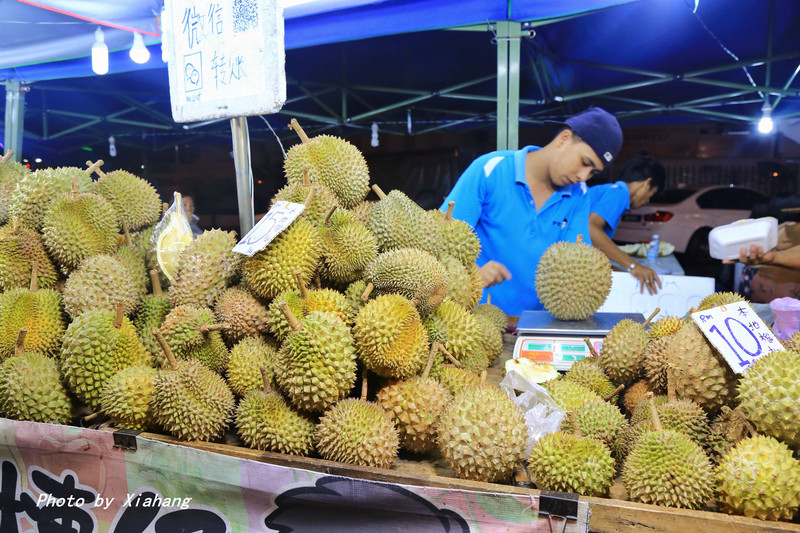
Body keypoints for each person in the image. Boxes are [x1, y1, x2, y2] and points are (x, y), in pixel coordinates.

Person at [440, 106, 623, 316]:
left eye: (593, 172)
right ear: (564, 139)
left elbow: (578, 263)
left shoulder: (579, 194)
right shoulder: (490, 169)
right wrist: (470, 276)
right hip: (473, 319)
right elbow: (441, 242)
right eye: (584, 162)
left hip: (539, 325)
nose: (584, 176)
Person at [588, 150, 666, 295]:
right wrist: (633, 266)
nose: (648, 201)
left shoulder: (610, 191)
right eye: (652, 194)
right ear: (647, 183)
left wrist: (620, 270)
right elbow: (591, 228)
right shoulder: (619, 193)